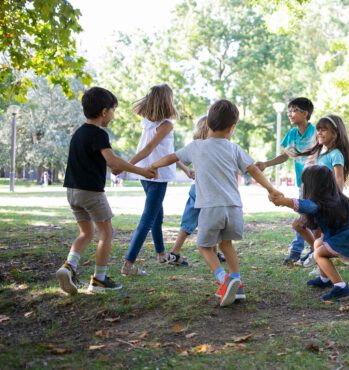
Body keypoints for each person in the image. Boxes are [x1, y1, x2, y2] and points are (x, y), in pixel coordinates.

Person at [151, 99, 282, 307]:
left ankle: (224, 280)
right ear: (232, 128)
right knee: (226, 244)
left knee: (204, 246)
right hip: (234, 208)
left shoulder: (196, 146)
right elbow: (254, 170)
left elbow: (172, 157)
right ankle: (237, 281)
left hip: (211, 208)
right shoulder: (234, 149)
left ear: (208, 124)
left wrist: (154, 165)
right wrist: (271, 189)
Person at [56, 87, 156, 295]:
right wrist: (142, 171)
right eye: (113, 110)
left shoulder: (79, 133)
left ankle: (69, 266)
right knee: (106, 234)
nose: (113, 114)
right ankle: (99, 280)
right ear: (104, 112)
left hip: (72, 192)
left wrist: (117, 166)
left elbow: (104, 162)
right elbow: (112, 161)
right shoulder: (99, 134)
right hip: (91, 193)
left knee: (85, 232)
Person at [270, 165, 349, 301]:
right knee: (318, 245)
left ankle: (341, 288)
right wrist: (301, 228)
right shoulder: (332, 200)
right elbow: (316, 238)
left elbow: (309, 206)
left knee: (318, 253)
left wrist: (285, 201)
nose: (302, 186)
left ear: (314, 186)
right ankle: (325, 279)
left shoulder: (323, 203)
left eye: (304, 183)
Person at [118, 84, 187, 276]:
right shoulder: (165, 125)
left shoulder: (148, 122)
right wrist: (125, 165)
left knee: (157, 214)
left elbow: (168, 152)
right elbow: (149, 149)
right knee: (148, 218)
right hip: (156, 174)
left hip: (146, 174)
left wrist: (185, 168)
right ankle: (128, 264)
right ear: (167, 100)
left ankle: (161, 254)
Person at [255, 97, 316, 265]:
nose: (290, 113)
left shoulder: (316, 132)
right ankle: (311, 250)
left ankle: (298, 252)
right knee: (305, 217)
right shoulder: (292, 134)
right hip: (302, 183)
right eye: (289, 110)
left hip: (317, 184)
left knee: (305, 217)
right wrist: (266, 164)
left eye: (294, 110)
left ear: (305, 113)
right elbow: (285, 156)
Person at [292, 114, 349, 269]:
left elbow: (339, 178)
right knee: (299, 225)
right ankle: (317, 254)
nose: (319, 132)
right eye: (318, 129)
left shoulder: (335, 154)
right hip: (315, 199)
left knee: (317, 232)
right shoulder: (321, 152)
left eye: (324, 130)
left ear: (335, 133)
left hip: (326, 201)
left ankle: (321, 263)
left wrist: (337, 198)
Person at [166, 115, 226, 266]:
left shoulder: (196, 146)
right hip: (210, 191)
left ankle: (175, 252)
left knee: (188, 222)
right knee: (213, 220)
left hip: (197, 189)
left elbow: (175, 157)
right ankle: (213, 252)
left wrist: (189, 170)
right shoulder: (219, 146)